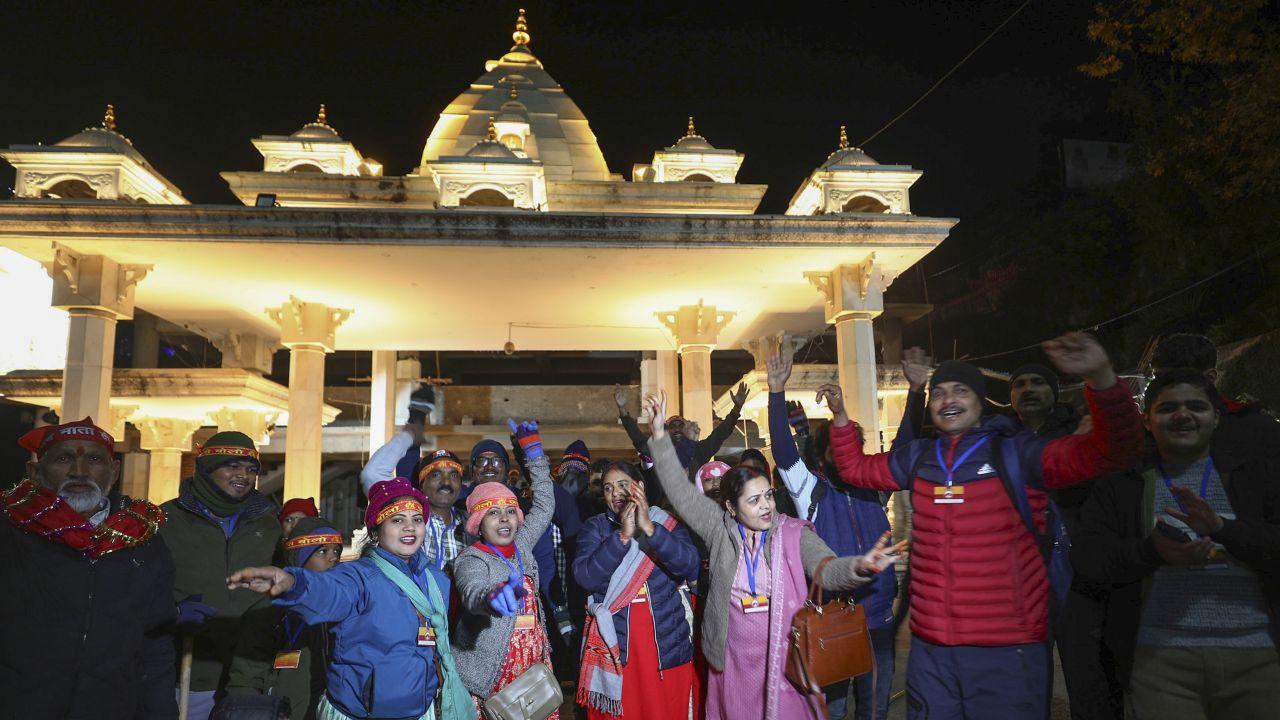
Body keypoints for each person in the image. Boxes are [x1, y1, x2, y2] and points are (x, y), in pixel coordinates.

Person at [825, 333, 1144, 719]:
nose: (948, 400)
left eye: (960, 390)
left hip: (1006, 648)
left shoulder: (1017, 452)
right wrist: (840, 418)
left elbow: (1111, 451)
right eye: (939, 393)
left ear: (980, 400)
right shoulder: (918, 458)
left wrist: (1102, 379)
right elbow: (856, 469)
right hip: (931, 651)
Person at [644, 391, 905, 720]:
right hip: (732, 663)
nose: (766, 505)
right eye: (754, 501)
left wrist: (860, 567)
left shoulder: (793, 532)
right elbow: (680, 493)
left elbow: (826, 569)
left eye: (767, 495)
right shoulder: (718, 529)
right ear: (731, 507)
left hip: (785, 660)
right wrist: (658, 435)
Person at [1072, 370, 1280, 719]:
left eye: (1196, 406)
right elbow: (1088, 558)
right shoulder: (1122, 487)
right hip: (1160, 663)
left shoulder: (1255, 477)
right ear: (1148, 421)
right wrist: (1150, 552)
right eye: (1168, 408)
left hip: (1257, 659)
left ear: (1216, 418)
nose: (1182, 415)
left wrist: (1223, 529)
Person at [226, 478, 474, 720]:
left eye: (417, 519)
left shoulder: (436, 579)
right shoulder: (359, 576)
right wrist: (293, 583)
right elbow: (330, 590)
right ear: (376, 530)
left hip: (422, 710)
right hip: (362, 712)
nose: (409, 527)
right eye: (397, 520)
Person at [0, 417, 176, 719]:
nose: (79, 472)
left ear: (115, 471)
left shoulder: (141, 541)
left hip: (112, 707)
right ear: (35, 471)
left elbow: (155, 644)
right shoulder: (10, 533)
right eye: (63, 458)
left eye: (94, 459)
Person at [765, 350, 896, 720]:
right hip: (834, 619)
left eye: (853, 446)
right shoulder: (812, 490)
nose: (847, 454)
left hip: (880, 620)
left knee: (874, 710)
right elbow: (785, 452)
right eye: (838, 448)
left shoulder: (874, 485)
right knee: (832, 711)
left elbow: (905, 452)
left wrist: (916, 393)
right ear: (822, 457)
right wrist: (776, 392)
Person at [161, 430, 282, 718]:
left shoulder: (268, 525)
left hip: (250, 673)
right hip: (185, 674)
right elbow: (137, 592)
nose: (244, 475)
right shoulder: (165, 521)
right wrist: (171, 612)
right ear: (206, 468)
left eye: (252, 469)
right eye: (232, 466)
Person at [573, 460, 701, 718]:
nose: (616, 493)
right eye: (608, 488)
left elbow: (690, 565)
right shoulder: (595, 528)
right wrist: (621, 538)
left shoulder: (665, 522)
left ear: (639, 486)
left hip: (662, 644)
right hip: (618, 645)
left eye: (623, 485)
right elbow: (585, 577)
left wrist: (651, 530)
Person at [452, 420, 559, 716]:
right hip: (493, 671)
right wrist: (490, 598)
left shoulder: (523, 544)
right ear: (478, 524)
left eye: (510, 512)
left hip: (532, 663)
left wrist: (534, 453)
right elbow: (472, 590)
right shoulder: (471, 558)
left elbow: (545, 505)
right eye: (493, 513)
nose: (503, 519)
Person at [225, 516, 343, 719]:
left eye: (336, 552)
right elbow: (244, 678)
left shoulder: (343, 607)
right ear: (300, 557)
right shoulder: (271, 610)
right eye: (322, 551)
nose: (333, 558)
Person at [1151, 332, 1280, 463]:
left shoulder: (1256, 430)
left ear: (1209, 377)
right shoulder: (1150, 433)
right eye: (1158, 379)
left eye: (1175, 380)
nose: (1162, 387)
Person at [615, 382, 749, 469]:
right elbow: (637, 438)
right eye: (672, 425)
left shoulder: (700, 450)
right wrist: (622, 410)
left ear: (687, 429)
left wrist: (737, 408)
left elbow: (720, 434)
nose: (677, 428)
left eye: (681, 425)